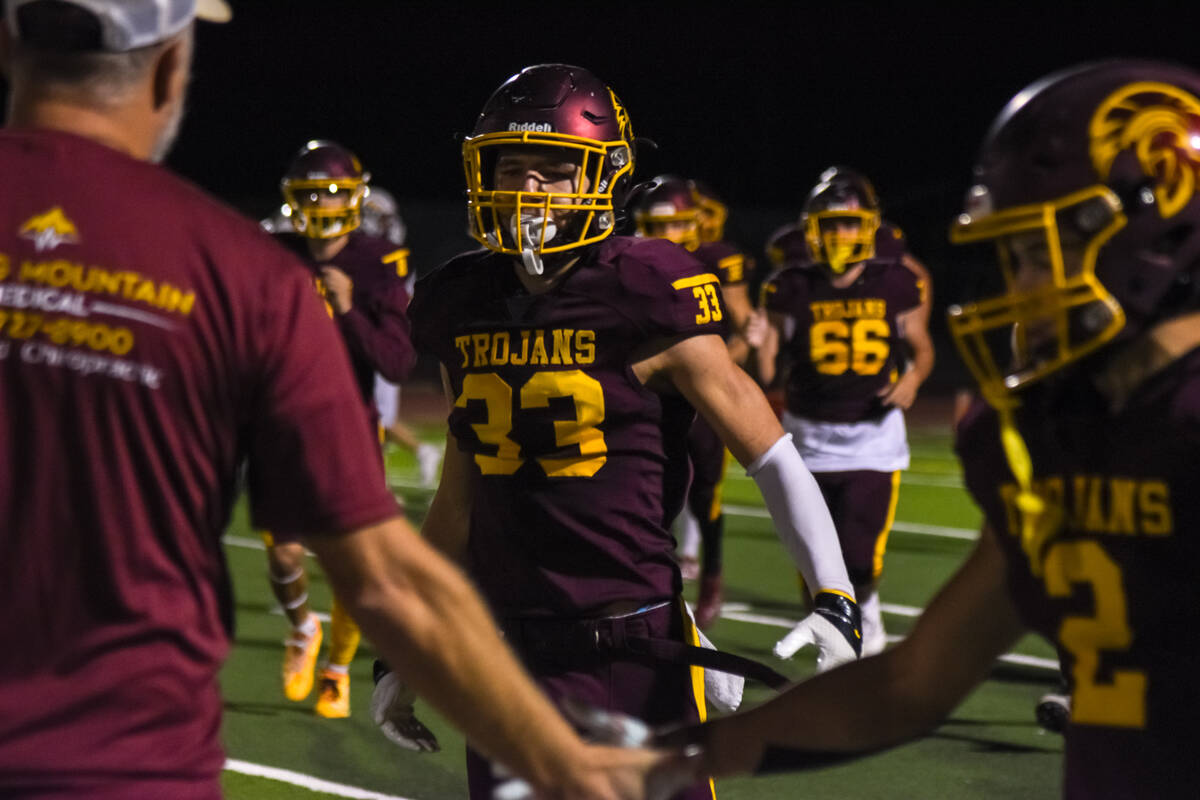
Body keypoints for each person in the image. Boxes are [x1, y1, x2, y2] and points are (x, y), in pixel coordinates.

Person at [0, 4, 676, 797]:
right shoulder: (241, 271)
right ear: (171, 66)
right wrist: (553, 752)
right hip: (126, 760)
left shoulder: (277, 269)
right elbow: (384, 573)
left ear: (9, 44)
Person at [647, 59, 1200, 799]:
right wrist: (662, 760)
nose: (1022, 287)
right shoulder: (1067, 434)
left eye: (1037, 253)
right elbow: (909, 684)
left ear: (1167, 235)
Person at [405, 63, 861, 800]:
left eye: (553, 170)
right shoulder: (461, 302)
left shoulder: (644, 290)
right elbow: (460, 494)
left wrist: (833, 595)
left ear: (604, 176)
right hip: (506, 651)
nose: (525, 189)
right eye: (508, 167)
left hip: (630, 647)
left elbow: (771, 456)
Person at [257, 139, 419, 721]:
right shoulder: (274, 253)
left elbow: (398, 364)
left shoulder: (380, 262)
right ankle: (303, 629)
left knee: (349, 566)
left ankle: (335, 669)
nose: (323, 204)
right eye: (312, 194)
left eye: (333, 192)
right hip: (282, 426)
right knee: (283, 555)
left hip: (352, 430)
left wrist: (347, 310)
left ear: (356, 198)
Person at [757, 168, 935, 659]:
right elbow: (769, 370)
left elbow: (922, 349)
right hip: (808, 436)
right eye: (830, 225)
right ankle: (832, 632)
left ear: (870, 227)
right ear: (812, 229)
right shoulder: (788, 287)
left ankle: (867, 609)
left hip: (872, 438)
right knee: (814, 556)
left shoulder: (897, 283)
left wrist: (914, 380)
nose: (840, 236)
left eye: (850, 224)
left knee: (858, 554)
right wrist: (759, 341)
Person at [632, 175, 758, 628]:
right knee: (643, 488)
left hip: (701, 394)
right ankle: (649, 583)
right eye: (654, 225)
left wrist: (716, 370)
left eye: (675, 225)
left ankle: (712, 577)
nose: (665, 236)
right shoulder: (627, 260)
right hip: (647, 393)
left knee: (705, 494)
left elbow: (744, 327)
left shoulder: (717, 260)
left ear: (694, 224)